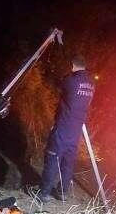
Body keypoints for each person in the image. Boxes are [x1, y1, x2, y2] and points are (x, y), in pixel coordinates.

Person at [38, 55, 95, 202]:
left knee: (52, 159)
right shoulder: (91, 83)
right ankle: (62, 192)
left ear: (72, 65)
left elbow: (56, 83)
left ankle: (44, 193)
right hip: (76, 131)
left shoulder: (71, 80)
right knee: (68, 163)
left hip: (63, 128)